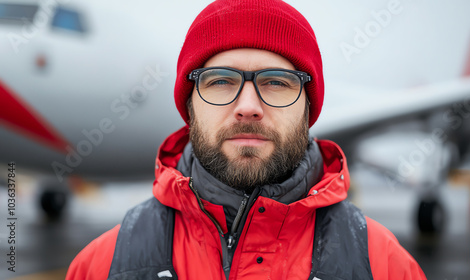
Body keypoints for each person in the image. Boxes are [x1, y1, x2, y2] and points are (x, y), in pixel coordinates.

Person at [66, 0, 427, 279]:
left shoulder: (389, 267)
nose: (249, 107)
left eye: (276, 82)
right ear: (189, 105)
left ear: (308, 107)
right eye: (221, 81)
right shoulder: (99, 267)